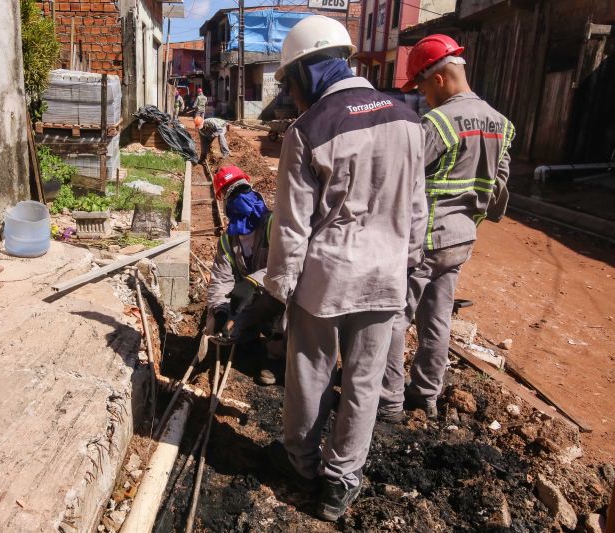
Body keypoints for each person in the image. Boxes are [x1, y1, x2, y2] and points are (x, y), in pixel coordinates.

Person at [250, 15, 426, 522]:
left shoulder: (310, 130)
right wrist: (409, 269)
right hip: (385, 276)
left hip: (326, 281)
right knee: (365, 382)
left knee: (309, 374)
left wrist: (276, 293)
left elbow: (291, 226)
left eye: (290, 82)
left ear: (307, 71)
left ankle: (302, 464)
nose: (291, 94)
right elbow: (417, 209)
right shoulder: (408, 119)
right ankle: (341, 481)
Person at [378, 34, 515, 423]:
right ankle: (426, 395)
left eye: (421, 85)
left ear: (438, 78)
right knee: (437, 321)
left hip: (426, 239)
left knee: (393, 320)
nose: (421, 95)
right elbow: (499, 186)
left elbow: (400, 177)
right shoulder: (500, 123)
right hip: (461, 239)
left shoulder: (439, 122)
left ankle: (388, 402)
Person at [206, 165, 283, 385]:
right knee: (218, 331)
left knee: (288, 302)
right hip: (250, 300)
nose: (241, 197)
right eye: (232, 192)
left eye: (242, 190)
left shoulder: (274, 225)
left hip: (280, 297)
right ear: (224, 201)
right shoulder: (229, 240)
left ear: (251, 188)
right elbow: (221, 280)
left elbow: (288, 268)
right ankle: (247, 337)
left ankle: (276, 358)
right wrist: (220, 311)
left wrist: (252, 281)